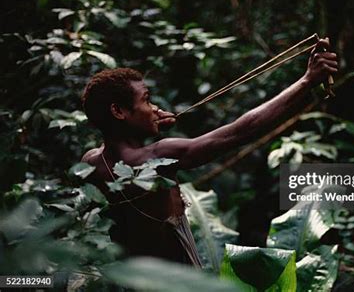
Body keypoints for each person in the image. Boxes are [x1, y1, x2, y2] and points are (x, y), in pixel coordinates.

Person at [80, 38, 338, 268]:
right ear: (118, 112)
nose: (155, 107)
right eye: (146, 100)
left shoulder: (91, 162)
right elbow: (239, 132)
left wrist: (144, 129)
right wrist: (307, 81)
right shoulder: (156, 157)